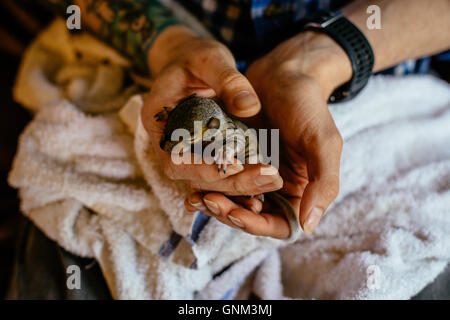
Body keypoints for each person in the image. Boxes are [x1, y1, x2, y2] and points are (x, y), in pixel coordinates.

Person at [8, 0, 450, 300]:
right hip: (159, 66)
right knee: (64, 272)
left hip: (384, 85)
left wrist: (317, 60)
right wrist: (173, 46)